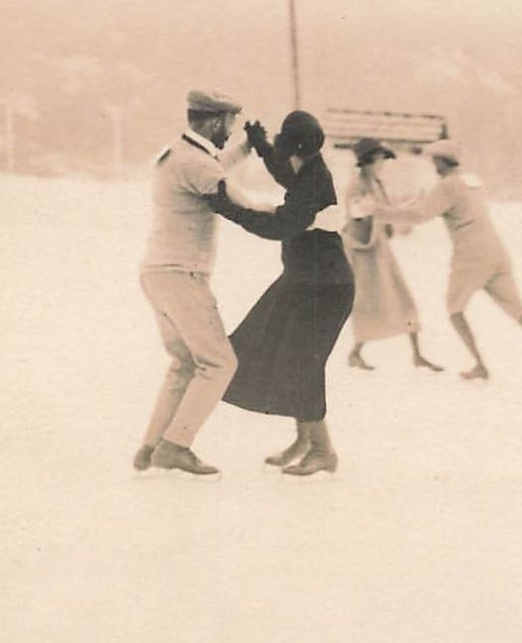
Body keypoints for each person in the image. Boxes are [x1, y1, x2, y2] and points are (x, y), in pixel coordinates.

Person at [206, 111, 356, 476]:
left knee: (304, 363)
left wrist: (227, 208)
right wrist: (260, 145)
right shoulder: (310, 169)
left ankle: (322, 450)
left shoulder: (312, 178)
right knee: (282, 355)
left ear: (294, 146)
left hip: (323, 288)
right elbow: (283, 172)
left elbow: (279, 226)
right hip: (305, 281)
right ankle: (305, 441)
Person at [133, 89, 255, 477]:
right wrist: (302, 215)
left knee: (184, 363)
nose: (230, 129)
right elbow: (242, 204)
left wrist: (244, 149)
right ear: (216, 121)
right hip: (182, 275)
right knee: (220, 363)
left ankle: (152, 447)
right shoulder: (198, 165)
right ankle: (175, 446)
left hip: (158, 272)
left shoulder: (177, 153)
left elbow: (212, 165)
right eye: (230, 123)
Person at [382, 139, 522, 380]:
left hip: (471, 256)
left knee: (454, 310)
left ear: (440, 161)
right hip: (496, 252)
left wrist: (379, 213)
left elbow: (419, 216)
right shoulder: (471, 182)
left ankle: (480, 365)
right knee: (519, 310)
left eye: (433, 160)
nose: (432, 165)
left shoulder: (447, 185)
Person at [341, 138, 443, 372]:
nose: (382, 164)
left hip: (379, 248)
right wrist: (398, 211)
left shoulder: (375, 182)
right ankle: (355, 353)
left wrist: (405, 207)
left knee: (401, 297)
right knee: (370, 303)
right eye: (379, 160)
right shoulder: (356, 185)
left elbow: (383, 210)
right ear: (367, 161)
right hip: (363, 250)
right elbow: (359, 210)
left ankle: (417, 355)